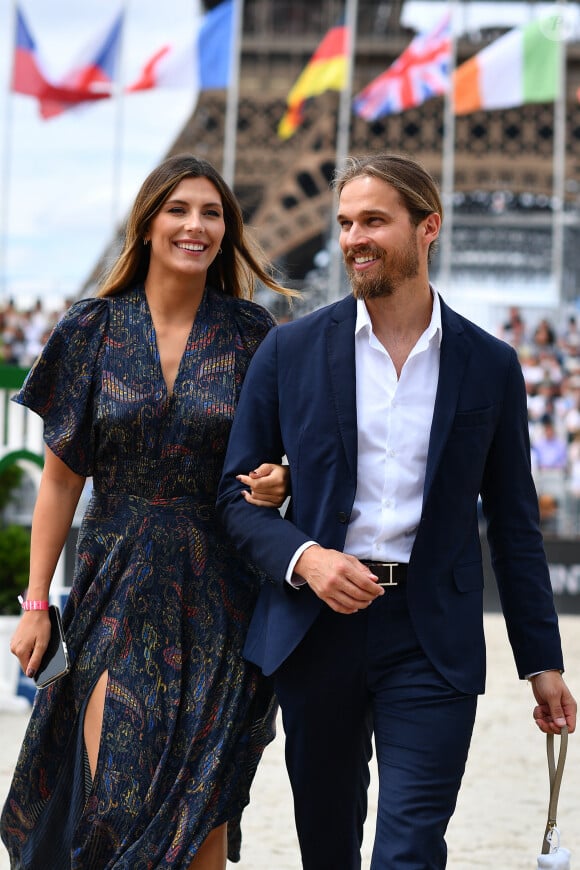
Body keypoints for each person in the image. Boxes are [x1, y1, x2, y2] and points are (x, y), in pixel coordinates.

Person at [217, 153, 577, 869]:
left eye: (374, 220)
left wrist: (542, 662)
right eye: (346, 222)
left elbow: (513, 526)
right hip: (316, 629)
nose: (355, 238)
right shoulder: (287, 351)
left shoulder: (491, 364)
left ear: (427, 228)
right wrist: (306, 558)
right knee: (327, 844)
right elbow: (233, 496)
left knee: (410, 848)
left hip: (431, 635)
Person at [1, 153, 295, 870]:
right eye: (179, 210)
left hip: (224, 597)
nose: (195, 225)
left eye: (212, 213)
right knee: (117, 805)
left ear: (227, 231)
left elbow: (286, 457)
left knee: (203, 820)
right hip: (116, 592)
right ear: (147, 223)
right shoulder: (91, 329)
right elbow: (61, 481)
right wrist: (38, 602)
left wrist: (279, 481)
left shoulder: (253, 334)